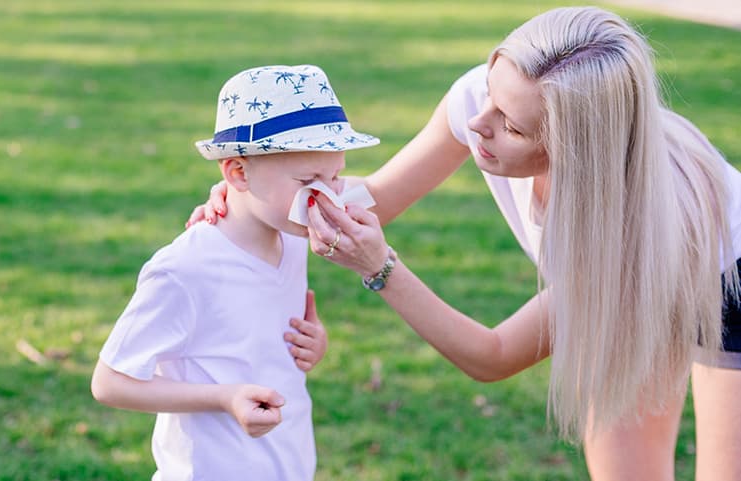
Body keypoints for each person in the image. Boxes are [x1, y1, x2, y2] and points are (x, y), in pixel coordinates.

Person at [189, 7, 741, 481]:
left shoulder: (635, 229)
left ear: (577, 149)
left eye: (512, 126)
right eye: (490, 93)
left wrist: (381, 268)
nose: (478, 123)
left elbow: (493, 356)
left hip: (725, 286)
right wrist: (253, 198)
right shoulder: (485, 103)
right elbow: (373, 199)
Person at [91, 64, 379, 481]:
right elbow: (109, 383)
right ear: (238, 173)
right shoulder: (185, 269)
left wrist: (313, 345)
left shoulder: (294, 237)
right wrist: (225, 397)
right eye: (308, 180)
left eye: (335, 176)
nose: (326, 195)